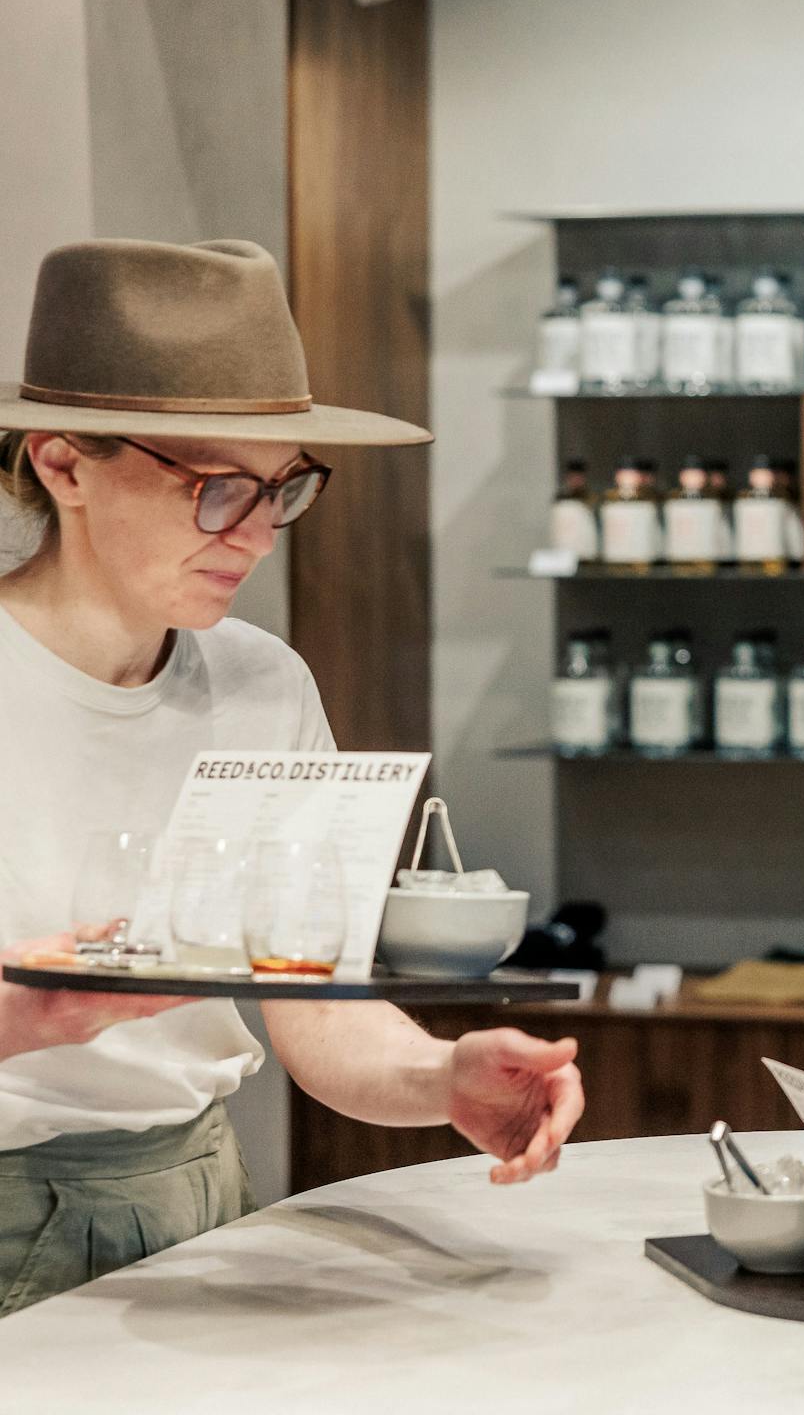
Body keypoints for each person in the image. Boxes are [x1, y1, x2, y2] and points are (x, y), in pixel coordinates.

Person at [0, 238, 586, 1318]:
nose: (260, 536)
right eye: (217, 489)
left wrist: (438, 1078)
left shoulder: (263, 681)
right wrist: (30, 1021)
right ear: (63, 464)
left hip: (198, 1199)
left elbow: (313, 1005)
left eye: (284, 490)